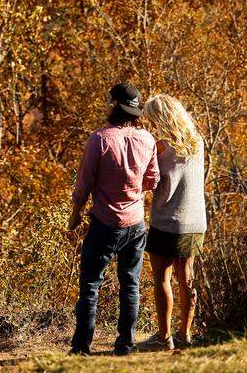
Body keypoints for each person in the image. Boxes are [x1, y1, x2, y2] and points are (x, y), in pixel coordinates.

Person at [68, 82, 159, 356]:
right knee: (130, 284)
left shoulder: (99, 139)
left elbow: (83, 185)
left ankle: (82, 347)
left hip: (105, 222)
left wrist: (73, 218)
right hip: (135, 223)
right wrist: (131, 190)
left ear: (112, 107)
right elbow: (152, 180)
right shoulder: (148, 139)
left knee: (90, 285)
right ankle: (125, 344)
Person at [136, 94, 207, 351]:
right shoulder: (197, 142)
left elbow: (149, 181)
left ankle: (163, 337)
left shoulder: (160, 146)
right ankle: (185, 334)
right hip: (195, 220)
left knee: (162, 278)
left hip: (167, 219)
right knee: (187, 277)